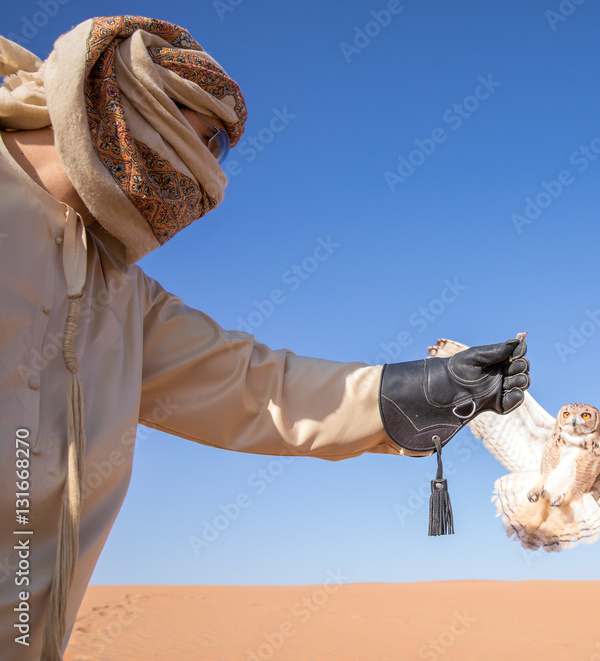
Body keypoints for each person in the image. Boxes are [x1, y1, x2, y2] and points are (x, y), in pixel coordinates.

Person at [0, 16, 529, 661]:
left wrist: (421, 391)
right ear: (125, 102)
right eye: (191, 136)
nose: (197, 176)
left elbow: (255, 386)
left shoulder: (118, 298)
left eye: (214, 151)